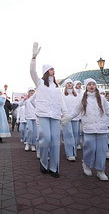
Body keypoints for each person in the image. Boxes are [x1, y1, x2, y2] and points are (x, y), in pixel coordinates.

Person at [62, 78, 109, 181]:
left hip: (101, 128)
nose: (91, 86)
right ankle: (86, 164)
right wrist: (67, 118)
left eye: (93, 84)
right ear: (86, 87)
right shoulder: (83, 99)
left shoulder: (102, 99)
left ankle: (100, 170)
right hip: (89, 128)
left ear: (96, 86)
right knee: (90, 148)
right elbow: (75, 111)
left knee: (101, 150)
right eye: (89, 84)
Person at [30, 42, 67, 178]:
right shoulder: (39, 83)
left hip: (56, 115)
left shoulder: (57, 86)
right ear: (46, 71)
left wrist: (66, 114)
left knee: (55, 141)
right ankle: (44, 162)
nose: (53, 71)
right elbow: (32, 72)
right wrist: (33, 58)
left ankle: (54, 168)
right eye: (51, 69)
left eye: (54, 69)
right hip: (44, 114)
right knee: (46, 138)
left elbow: (61, 100)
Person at [62, 79, 81, 161]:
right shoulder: (62, 95)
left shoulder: (76, 95)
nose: (69, 84)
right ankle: (70, 153)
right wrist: (62, 114)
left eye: (70, 83)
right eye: (68, 83)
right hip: (66, 117)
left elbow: (79, 106)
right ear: (65, 85)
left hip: (75, 117)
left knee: (76, 135)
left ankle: (74, 152)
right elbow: (60, 105)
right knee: (68, 135)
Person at [22, 87, 37, 152]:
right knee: (30, 130)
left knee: (35, 132)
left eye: (32, 91)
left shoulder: (36, 99)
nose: (31, 92)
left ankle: (33, 144)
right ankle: (28, 143)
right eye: (30, 91)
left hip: (36, 117)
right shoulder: (27, 100)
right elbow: (20, 105)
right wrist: (23, 100)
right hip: (28, 117)